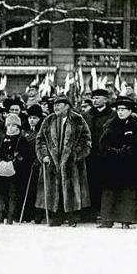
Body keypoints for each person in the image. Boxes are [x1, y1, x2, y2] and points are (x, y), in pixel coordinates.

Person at [35, 96, 92, 227]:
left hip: (72, 164)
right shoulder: (49, 120)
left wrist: (75, 155)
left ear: (67, 106)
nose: (56, 107)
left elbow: (86, 140)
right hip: (52, 162)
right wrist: (44, 155)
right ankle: (56, 215)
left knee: (72, 189)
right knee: (54, 188)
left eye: (59, 104)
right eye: (54, 105)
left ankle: (72, 216)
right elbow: (40, 140)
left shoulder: (78, 119)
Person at [98, 97, 137, 229]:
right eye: (118, 110)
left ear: (130, 111)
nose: (120, 112)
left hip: (130, 165)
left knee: (127, 192)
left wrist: (129, 151)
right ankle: (107, 219)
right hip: (112, 164)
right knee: (110, 192)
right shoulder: (110, 124)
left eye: (123, 110)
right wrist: (110, 151)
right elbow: (103, 143)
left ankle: (126, 219)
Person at [0, 113, 31, 225]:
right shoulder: (3, 139)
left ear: (18, 127)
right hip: (2, 169)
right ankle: (0, 215)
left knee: (12, 193)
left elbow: (24, 155)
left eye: (14, 126)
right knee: (0, 193)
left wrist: (15, 162)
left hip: (15, 171)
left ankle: (10, 216)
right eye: (9, 125)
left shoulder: (21, 140)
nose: (11, 128)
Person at [84, 88, 115, 222]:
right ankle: (91, 212)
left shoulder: (112, 115)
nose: (95, 100)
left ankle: (104, 212)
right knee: (91, 183)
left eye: (98, 98)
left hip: (106, 155)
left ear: (106, 100)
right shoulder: (87, 115)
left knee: (105, 184)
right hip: (90, 155)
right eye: (94, 98)